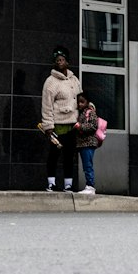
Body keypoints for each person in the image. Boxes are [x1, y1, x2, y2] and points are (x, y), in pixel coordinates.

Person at [40, 46, 81, 192]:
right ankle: (51, 183)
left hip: (72, 125)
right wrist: (48, 126)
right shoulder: (50, 82)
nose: (59, 61)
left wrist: (89, 107)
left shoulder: (74, 80)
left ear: (67, 62)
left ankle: (68, 185)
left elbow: (81, 98)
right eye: (57, 60)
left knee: (69, 156)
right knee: (54, 155)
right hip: (57, 125)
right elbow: (46, 105)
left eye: (62, 59)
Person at [71, 90, 100, 195]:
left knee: (88, 165)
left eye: (82, 102)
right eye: (78, 102)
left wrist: (80, 126)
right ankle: (89, 185)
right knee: (86, 165)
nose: (80, 104)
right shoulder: (82, 112)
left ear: (87, 102)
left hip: (88, 143)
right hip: (83, 144)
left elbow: (93, 126)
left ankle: (90, 186)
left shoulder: (90, 112)